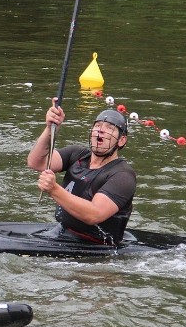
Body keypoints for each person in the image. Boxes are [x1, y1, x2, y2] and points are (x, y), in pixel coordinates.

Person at [27, 99, 136, 246]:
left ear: (121, 140)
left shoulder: (123, 176)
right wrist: (50, 128)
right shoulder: (77, 154)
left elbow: (94, 214)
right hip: (62, 232)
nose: (101, 130)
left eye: (109, 128)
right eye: (97, 126)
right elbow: (36, 162)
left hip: (96, 245)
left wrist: (54, 189)